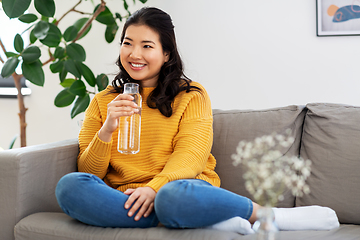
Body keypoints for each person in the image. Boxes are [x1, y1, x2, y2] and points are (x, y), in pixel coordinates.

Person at [55, 7, 340, 234]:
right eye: (127, 43)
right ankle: (196, 218)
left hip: (181, 188)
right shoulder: (104, 101)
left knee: (171, 198)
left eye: (147, 46)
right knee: (69, 187)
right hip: (125, 198)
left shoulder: (191, 95)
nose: (135, 54)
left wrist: (154, 189)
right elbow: (88, 169)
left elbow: (191, 156)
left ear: (166, 54)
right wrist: (107, 129)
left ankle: (265, 214)